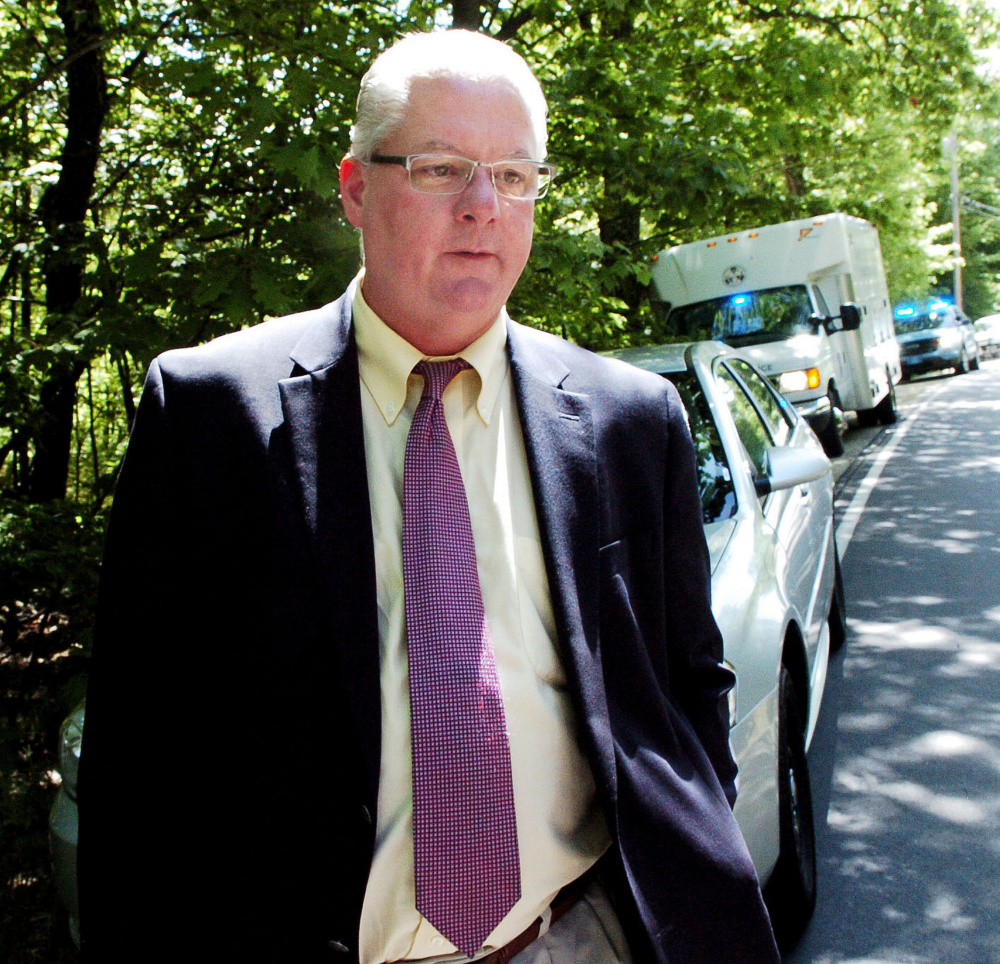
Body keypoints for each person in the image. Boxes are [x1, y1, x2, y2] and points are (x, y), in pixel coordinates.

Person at [78, 29, 780, 964]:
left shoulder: (627, 420)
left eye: (515, 176)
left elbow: (688, 685)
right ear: (358, 187)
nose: (484, 207)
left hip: (583, 930)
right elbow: (138, 754)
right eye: (443, 169)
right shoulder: (209, 417)